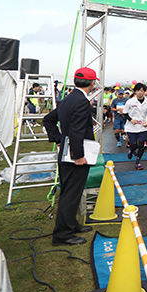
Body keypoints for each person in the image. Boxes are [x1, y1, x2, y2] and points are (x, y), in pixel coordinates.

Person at [42, 67, 98, 245]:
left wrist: (58, 139)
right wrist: (78, 156)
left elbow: (48, 119)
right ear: (92, 83)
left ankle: (71, 224)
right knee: (71, 194)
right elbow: (76, 131)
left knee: (70, 191)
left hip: (66, 153)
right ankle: (62, 235)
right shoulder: (81, 101)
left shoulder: (68, 98)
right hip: (74, 156)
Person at [123, 83, 147, 170]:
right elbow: (124, 113)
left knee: (141, 144)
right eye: (138, 91)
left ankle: (138, 162)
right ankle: (132, 150)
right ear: (135, 92)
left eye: (141, 90)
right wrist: (130, 120)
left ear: (144, 92)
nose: (140, 92)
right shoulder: (130, 102)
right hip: (132, 126)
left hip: (143, 126)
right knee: (133, 144)